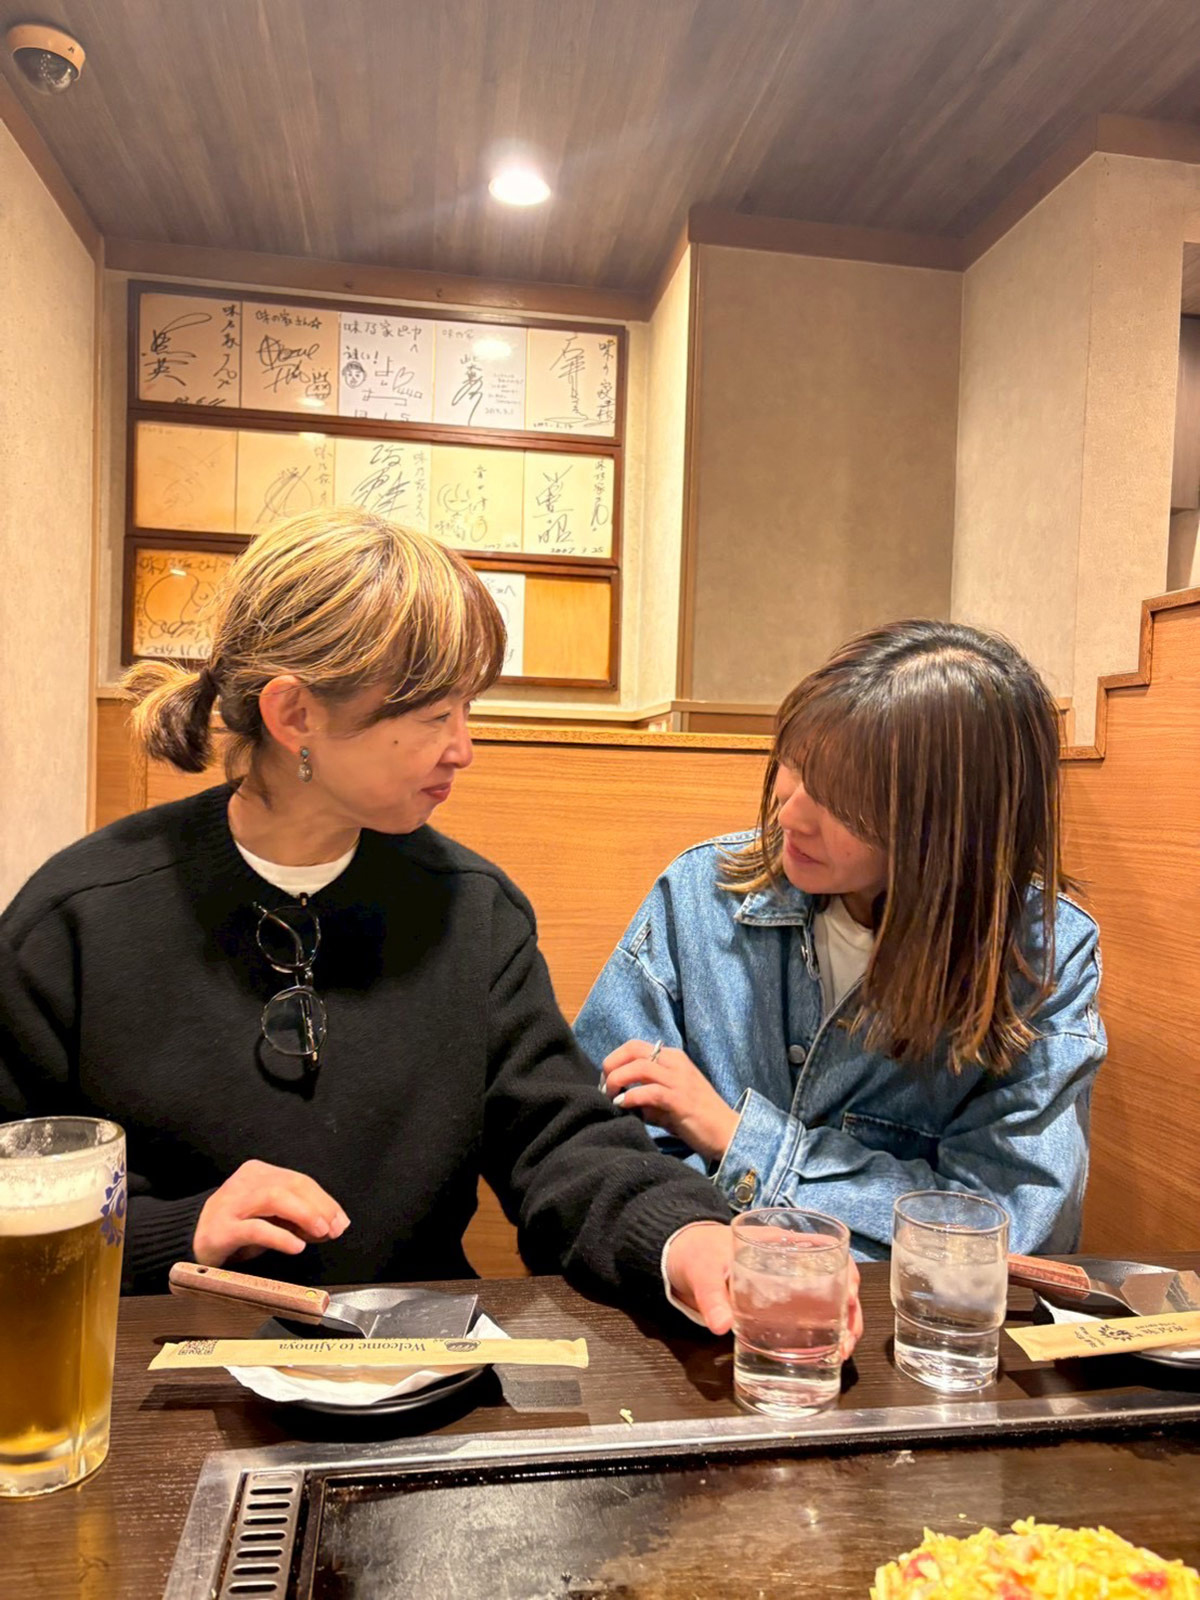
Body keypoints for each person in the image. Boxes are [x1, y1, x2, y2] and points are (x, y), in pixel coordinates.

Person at [0, 509, 834, 1342]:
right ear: (294, 715)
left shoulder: (470, 910)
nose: (463, 747)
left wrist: (682, 1236)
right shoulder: (80, 919)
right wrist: (178, 1232)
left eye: (466, 709)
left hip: (415, 1368)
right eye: (435, 715)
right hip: (153, 1372)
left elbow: (560, 1140)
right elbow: (16, 1181)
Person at [575, 619, 1105, 1258]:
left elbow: (1010, 1230)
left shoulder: (1040, 961)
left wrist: (736, 1136)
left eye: (843, 798)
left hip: (900, 1318)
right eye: (793, 766)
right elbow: (593, 1148)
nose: (789, 812)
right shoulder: (702, 895)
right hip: (688, 1298)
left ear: (947, 828)